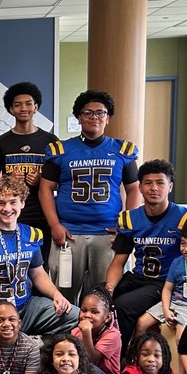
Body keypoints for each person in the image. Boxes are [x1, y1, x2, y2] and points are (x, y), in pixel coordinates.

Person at [39, 90, 140, 302]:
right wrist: (54, 224)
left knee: (107, 294)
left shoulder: (122, 150)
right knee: (63, 294)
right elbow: (45, 189)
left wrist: (125, 225)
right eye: (88, 112)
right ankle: (67, 325)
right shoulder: (60, 150)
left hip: (108, 233)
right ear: (79, 117)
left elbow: (134, 189)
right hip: (68, 232)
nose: (94, 117)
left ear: (108, 118)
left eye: (100, 112)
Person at [0, 173, 77, 340]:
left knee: (76, 316)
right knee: (1, 350)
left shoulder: (31, 235)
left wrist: (56, 294)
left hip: (26, 308)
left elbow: (38, 274)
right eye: (1, 203)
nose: (7, 209)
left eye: (13, 202)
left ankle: (28, 336)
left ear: (22, 203)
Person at [105, 159, 187, 348]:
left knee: (123, 305)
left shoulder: (185, 219)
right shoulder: (130, 218)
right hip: (138, 277)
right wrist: (108, 289)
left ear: (170, 187)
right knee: (96, 298)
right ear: (140, 187)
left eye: (160, 183)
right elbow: (118, 261)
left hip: (166, 282)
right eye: (148, 183)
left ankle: (121, 356)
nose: (154, 188)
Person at [135, 220, 187, 345]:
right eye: (183, 244)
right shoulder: (177, 262)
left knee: (180, 337)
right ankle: (138, 353)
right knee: (141, 323)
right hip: (173, 302)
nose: (186, 249)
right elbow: (167, 289)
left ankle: (181, 359)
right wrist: (166, 310)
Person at [0, 81, 59, 239]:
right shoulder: (0, 142)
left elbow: (61, 181)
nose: (23, 108)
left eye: (28, 103)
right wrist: (9, 181)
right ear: (11, 109)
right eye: (18, 105)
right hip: (11, 214)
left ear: (36, 107)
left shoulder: (51, 141)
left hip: (43, 214)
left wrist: (42, 182)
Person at [71, 287, 122, 374]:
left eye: (94, 312)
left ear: (107, 317)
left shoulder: (113, 335)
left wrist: (86, 333)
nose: (87, 315)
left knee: (86, 367)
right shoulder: (76, 332)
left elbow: (91, 361)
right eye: (84, 310)